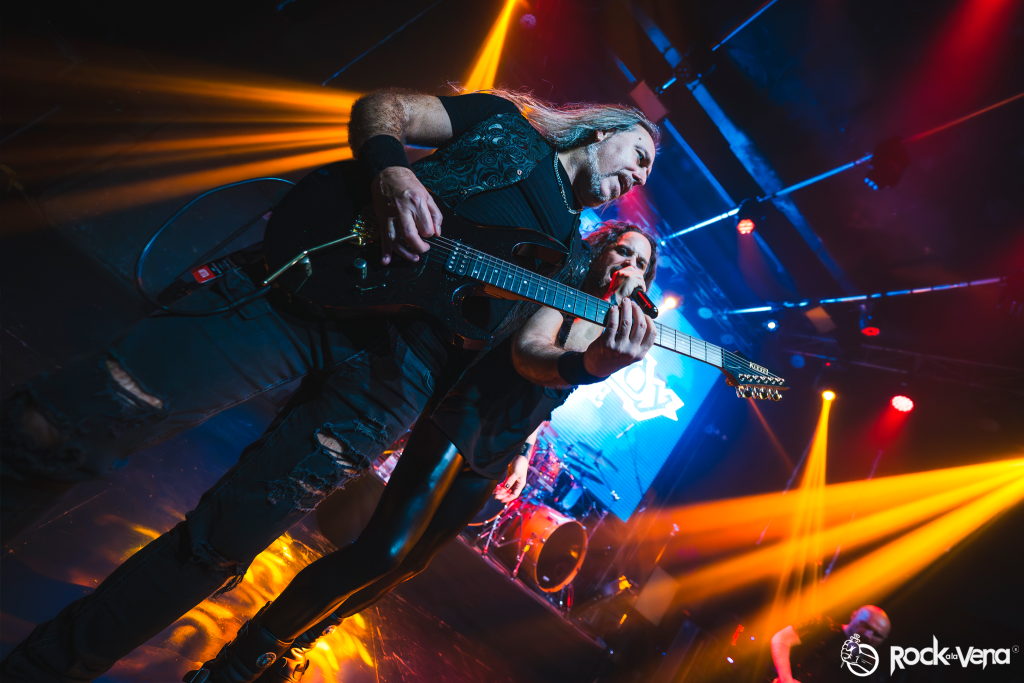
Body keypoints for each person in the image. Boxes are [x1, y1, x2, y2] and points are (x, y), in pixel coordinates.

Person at [0, 87, 658, 682]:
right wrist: (391, 172)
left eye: (645, 175)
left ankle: (43, 671)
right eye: (638, 155)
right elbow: (382, 109)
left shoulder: (570, 260)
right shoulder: (503, 126)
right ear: (602, 129)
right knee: (75, 418)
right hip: (310, 289)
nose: (636, 176)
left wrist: (594, 363)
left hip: (394, 381)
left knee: (218, 548)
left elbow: (532, 352)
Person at [185, 221, 659, 682]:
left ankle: (298, 643)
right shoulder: (563, 287)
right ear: (600, 249)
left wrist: (522, 452)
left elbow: (551, 395)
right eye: (623, 251)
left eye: (641, 263)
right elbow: (532, 355)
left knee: (411, 564)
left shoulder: (616, 330)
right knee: (383, 551)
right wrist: (599, 335)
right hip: (464, 413)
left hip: (500, 445)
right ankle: (244, 658)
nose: (630, 265)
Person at [770, 605, 891, 683]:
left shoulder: (870, 669)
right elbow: (781, 638)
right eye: (866, 626)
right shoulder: (822, 625)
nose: (868, 635)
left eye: (877, 634)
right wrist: (786, 679)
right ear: (854, 615)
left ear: (884, 639)